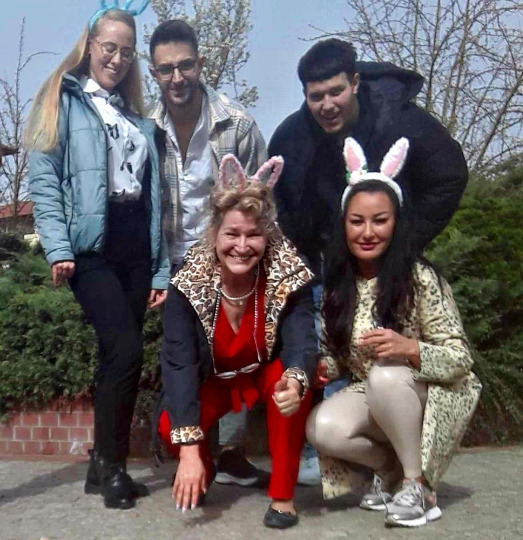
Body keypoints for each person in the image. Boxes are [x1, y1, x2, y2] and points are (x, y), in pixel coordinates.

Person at [269, 37, 469, 485]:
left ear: (355, 82)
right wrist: (301, 256)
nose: (327, 105)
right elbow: (282, 204)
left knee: (385, 362)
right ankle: (346, 464)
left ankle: (410, 469)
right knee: (332, 350)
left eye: (336, 91)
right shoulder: (290, 136)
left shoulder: (402, 120)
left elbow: (451, 175)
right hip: (322, 265)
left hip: (388, 266)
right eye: (316, 96)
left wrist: (403, 241)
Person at [25, 2, 169, 510]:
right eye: (110, 47)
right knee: (126, 350)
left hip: (135, 244)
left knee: (116, 357)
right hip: (89, 248)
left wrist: (159, 268)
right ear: (90, 47)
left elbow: (155, 201)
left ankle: (102, 467)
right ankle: (111, 465)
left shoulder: (136, 118)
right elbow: (44, 180)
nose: (118, 59)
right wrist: (58, 247)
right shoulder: (61, 100)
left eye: (127, 52)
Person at [306, 137, 481, 528]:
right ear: (344, 225)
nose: (367, 232)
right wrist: (320, 368)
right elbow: (337, 356)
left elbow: (460, 359)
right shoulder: (339, 285)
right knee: (322, 426)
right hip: (374, 392)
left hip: (431, 392)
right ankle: (389, 472)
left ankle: (420, 488)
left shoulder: (420, 278)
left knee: (385, 376)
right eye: (357, 221)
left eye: (380, 220)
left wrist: (410, 348)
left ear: (396, 223)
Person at [156, 154, 316, 528]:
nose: (242, 246)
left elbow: (302, 340)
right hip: (214, 380)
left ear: (267, 236)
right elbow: (178, 363)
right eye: (232, 234)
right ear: (215, 233)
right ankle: (202, 469)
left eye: (253, 235)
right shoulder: (186, 283)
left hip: (263, 372)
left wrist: (296, 378)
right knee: (169, 426)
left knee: (290, 386)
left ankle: (282, 497)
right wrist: (189, 451)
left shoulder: (288, 273)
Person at [148, 19, 268, 487]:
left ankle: (232, 453)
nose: (176, 78)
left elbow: (262, 200)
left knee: (234, 351)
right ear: (154, 73)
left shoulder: (237, 123)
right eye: (165, 69)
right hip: (172, 261)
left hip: (228, 256)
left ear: (200, 63)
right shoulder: (145, 127)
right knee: (185, 357)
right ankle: (194, 451)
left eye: (185, 66)